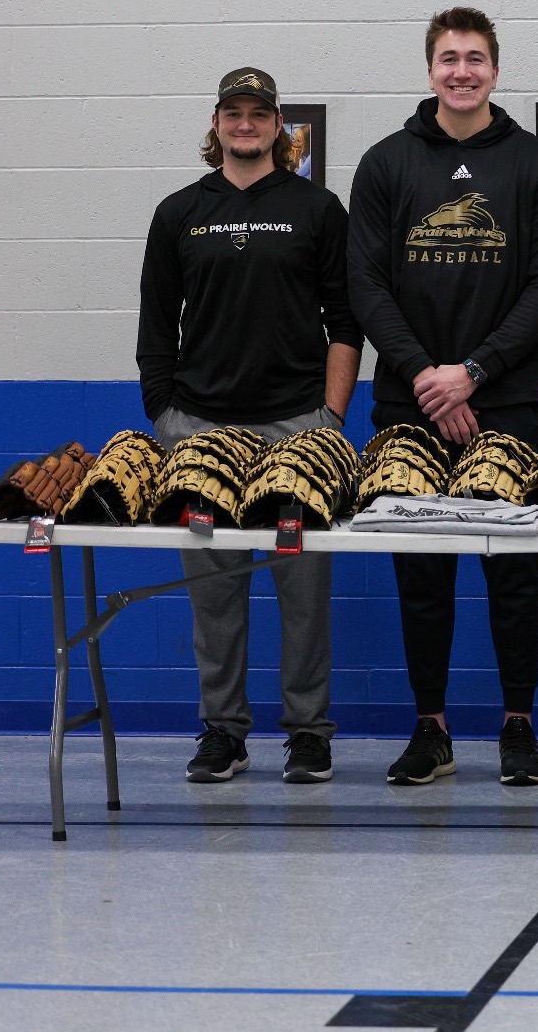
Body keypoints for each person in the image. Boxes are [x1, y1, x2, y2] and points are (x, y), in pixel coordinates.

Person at [348, 7, 538, 787]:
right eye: (449, 57)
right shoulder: (385, 163)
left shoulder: (535, 165)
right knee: (424, 569)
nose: (462, 71)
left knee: (513, 570)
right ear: (430, 68)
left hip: (507, 402)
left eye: (476, 58)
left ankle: (518, 724)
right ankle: (431, 727)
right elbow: (366, 285)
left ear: (496, 70)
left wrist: (472, 371)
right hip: (409, 403)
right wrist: (426, 378)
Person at [137, 68, 362, 784]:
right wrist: (165, 414)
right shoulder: (179, 212)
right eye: (232, 113)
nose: (244, 124)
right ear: (216, 123)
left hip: (295, 432)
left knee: (302, 589)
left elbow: (345, 321)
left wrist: (329, 420)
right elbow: (155, 326)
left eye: (257, 113)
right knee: (216, 591)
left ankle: (308, 732)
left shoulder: (317, 208)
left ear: (276, 125)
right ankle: (224, 730)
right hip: (199, 432)